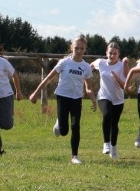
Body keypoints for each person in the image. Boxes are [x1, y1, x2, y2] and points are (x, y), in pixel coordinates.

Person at [29, 36, 94, 164]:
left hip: (76, 99)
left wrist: (93, 99)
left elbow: (88, 87)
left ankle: (74, 156)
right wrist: (35, 93)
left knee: (75, 126)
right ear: (71, 47)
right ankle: (59, 121)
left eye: (81, 48)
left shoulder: (86, 67)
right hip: (63, 97)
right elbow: (48, 78)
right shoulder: (64, 63)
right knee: (64, 131)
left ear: (85, 49)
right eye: (76, 48)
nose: (79, 51)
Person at [92, 42, 128, 158]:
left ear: (118, 55)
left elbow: (124, 86)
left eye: (115, 54)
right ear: (106, 53)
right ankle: (106, 143)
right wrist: (87, 73)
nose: (112, 55)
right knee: (107, 115)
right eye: (110, 53)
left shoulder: (121, 66)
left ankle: (114, 147)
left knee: (114, 123)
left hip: (118, 99)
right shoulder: (101, 63)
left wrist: (117, 77)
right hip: (103, 96)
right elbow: (90, 66)